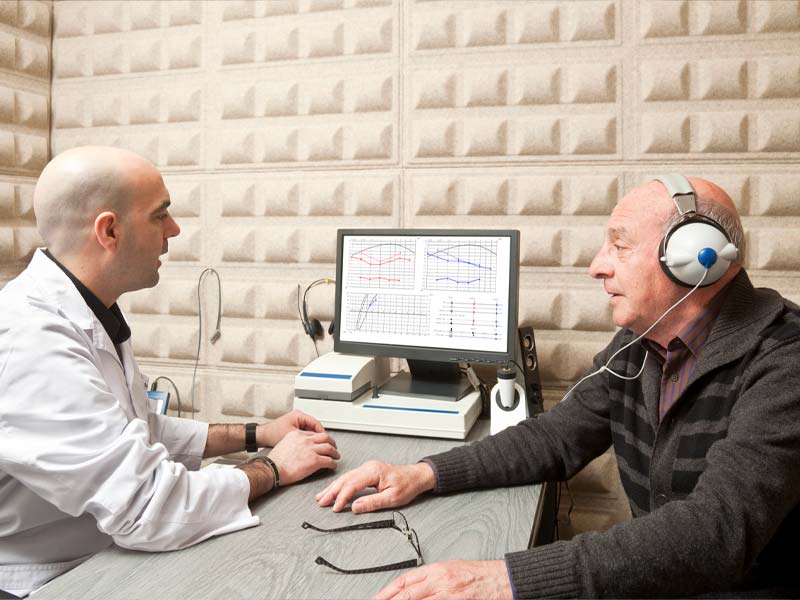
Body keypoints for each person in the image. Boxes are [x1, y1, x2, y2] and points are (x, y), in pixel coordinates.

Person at [316, 177, 800, 599]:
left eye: (619, 245)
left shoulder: (785, 361)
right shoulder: (640, 345)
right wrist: (423, 474)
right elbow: (557, 437)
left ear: (698, 257)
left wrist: (508, 579)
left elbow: (717, 533)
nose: (597, 266)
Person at [0, 146, 340, 598]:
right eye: (161, 216)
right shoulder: (31, 343)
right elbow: (147, 507)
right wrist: (272, 469)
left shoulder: (85, 311)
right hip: (46, 581)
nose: (174, 230)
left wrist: (258, 433)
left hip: (97, 555)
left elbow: (139, 428)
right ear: (110, 230)